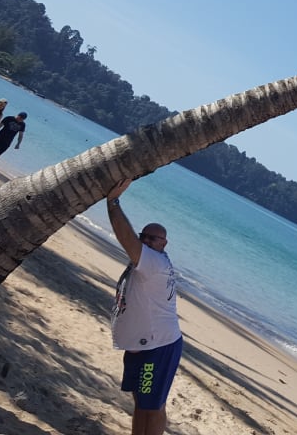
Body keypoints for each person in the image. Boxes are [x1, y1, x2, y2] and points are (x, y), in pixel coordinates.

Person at [105, 178, 183, 435]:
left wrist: (113, 203)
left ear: (164, 244)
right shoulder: (150, 261)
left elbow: (126, 238)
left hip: (158, 347)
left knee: (153, 406)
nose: (147, 242)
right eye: (144, 237)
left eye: (154, 239)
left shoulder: (155, 263)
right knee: (140, 402)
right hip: (141, 345)